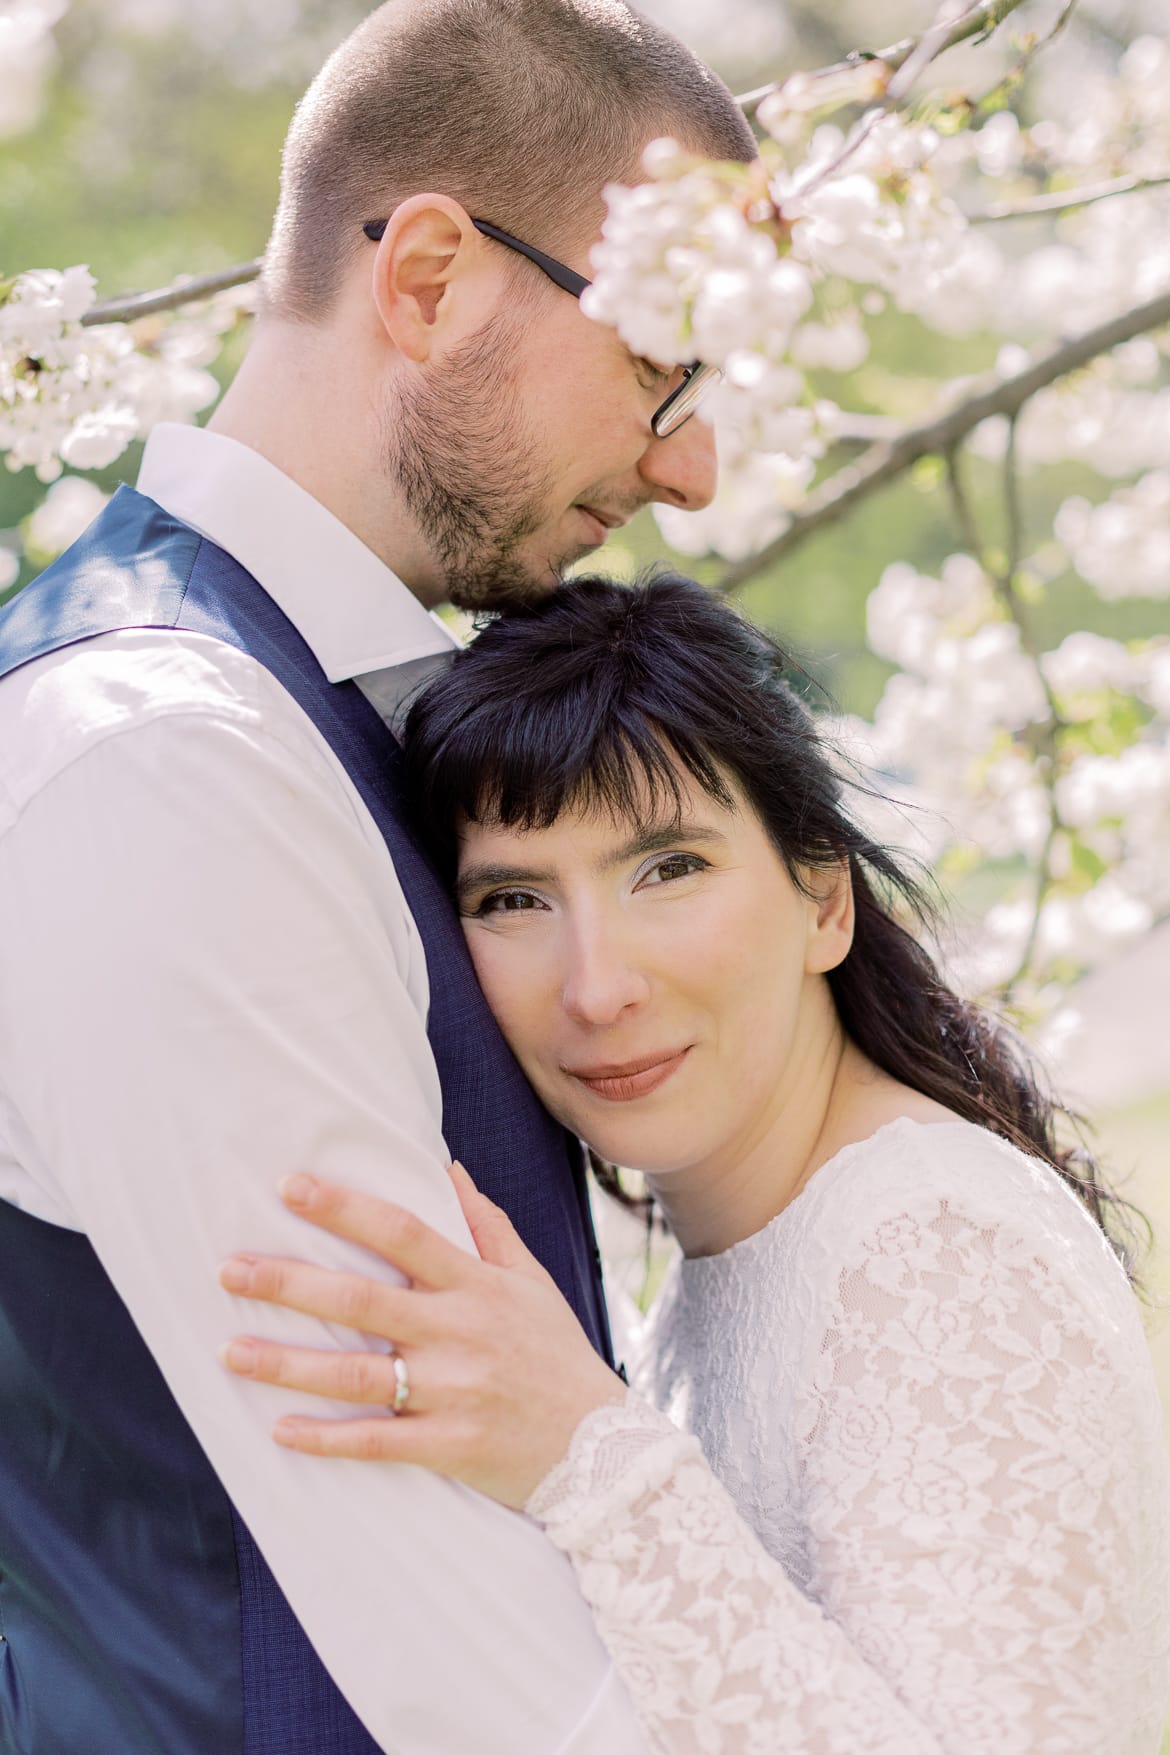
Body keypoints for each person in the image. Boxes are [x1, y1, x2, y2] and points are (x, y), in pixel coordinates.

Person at [0, 4, 757, 1751]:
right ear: (428, 276)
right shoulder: (166, 761)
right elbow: (467, 1635)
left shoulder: (293, 721)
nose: (694, 472)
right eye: (662, 371)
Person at [219, 575, 1170, 1755]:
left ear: (824, 899)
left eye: (667, 869)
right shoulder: (727, 1268)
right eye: (513, 897)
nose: (597, 984)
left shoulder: (933, 1251)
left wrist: (589, 1461)